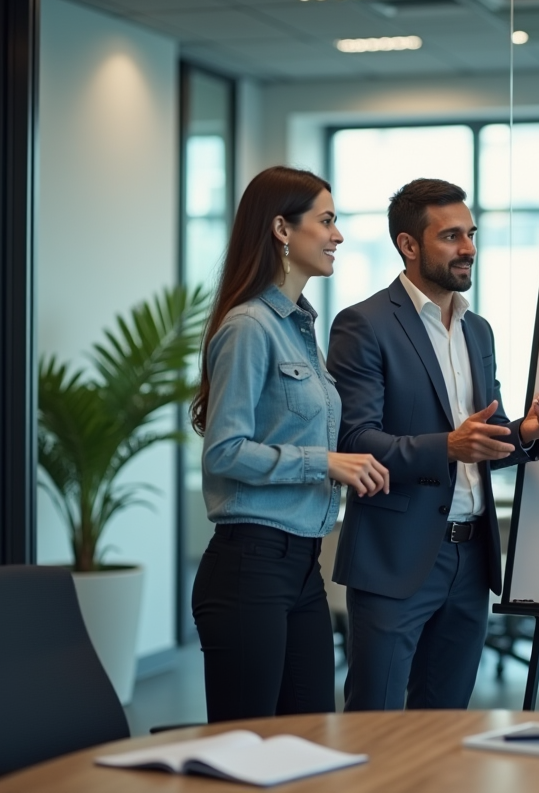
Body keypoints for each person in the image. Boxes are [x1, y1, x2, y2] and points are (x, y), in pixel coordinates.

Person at [326, 178, 539, 711]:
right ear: (408, 245)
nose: (469, 248)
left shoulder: (477, 330)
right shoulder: (364, 325)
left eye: (472, 233)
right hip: (398, 557)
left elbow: (487, 434)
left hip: (470, 558)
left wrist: (528, 432)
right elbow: (354, 439)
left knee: (445, 724)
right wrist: (448, 446)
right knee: (380, 722)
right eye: (451, 236)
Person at [189, 166, 389, 722]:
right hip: (249, 566)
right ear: (282, 228)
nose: (338, 236)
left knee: (308, 739)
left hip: (301, 567)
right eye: (326, 221)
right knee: (245, 750)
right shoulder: (249, 327)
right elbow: (225, 451)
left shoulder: (299, 328)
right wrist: (322, 462)